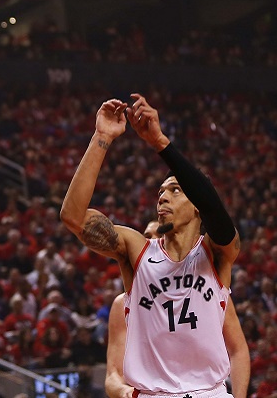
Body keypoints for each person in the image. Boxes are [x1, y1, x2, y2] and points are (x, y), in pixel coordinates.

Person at [60, 94, 240, 398]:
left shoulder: (217, 252)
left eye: (175, 190)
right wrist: (101, 137)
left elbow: (212, 203)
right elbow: (73, 218)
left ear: (196, 206)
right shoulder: (137, 249)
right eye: (160, 191)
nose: (162, 196)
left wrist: (160, 143)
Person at [105, 221, 250, 398]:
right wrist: (124, 391)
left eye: (158, 237)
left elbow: (238, 350)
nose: (152, 242)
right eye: (147, 238)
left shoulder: (207, 290)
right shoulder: (122, 304)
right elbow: (113, 376)